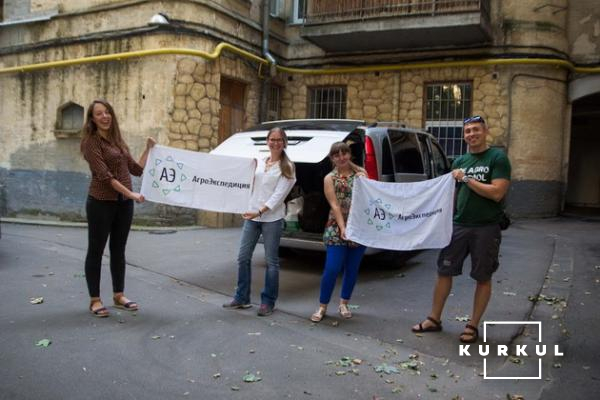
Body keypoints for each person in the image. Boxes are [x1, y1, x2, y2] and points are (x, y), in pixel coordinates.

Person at [412, 115, 511, 343]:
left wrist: (466, 179)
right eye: (467, 131)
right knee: (444, 271)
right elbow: (452, 195)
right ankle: (433, 319)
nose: (472, 134)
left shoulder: (497, 158)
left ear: (485, 131)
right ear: (463, 135)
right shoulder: (459, 161)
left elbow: (497, 193)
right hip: (458, 225)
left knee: (482, 276)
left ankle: (472, 325)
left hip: (486, 227)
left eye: (476, 130)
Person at [80, 99, 156, 317]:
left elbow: (136, 169)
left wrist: (148, 149)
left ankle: (118, 295)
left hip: (123, 205)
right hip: (100, 203)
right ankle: (95, 299)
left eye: (107, 112)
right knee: (95, 251)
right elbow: (104, 176)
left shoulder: (117, 141)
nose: (104, 116)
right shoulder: (91, 143)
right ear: (92, 119)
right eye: (99, 114)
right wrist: (131, 194)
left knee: (118, 250)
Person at [223, 127, 296, 316]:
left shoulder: (288, 166)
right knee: (243, 257)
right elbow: (247, 184)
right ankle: (242, 297)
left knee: (272, 262)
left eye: (279, 139)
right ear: (267, 141)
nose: (275, 142)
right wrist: (244, 205)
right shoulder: (260, 162)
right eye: (272, 139)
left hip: (271, 218)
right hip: (252, 216)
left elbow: (278, 196)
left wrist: (259, 211)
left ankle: (268, 302)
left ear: (284, 142)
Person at [310, 142, 367, 323]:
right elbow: (334, 205)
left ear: (349, 154)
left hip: (358, 226)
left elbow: (369, 197)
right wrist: (343, 228)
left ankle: (344, 303)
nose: (341, 158)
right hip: (337, 226)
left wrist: (364, 179)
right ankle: (322, 305)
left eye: (344, 154)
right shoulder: (330, 178)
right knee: (332, 268)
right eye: (336, 155)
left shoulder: (361, 174)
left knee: (352, 269)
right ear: (332, 158)